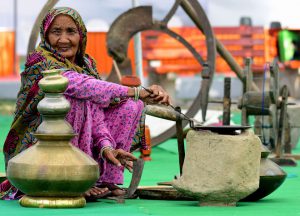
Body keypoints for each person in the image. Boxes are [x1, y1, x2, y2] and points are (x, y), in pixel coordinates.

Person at [0, 7, 170, 200]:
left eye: (71, 31)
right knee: (74, 97)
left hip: (81, 139)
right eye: (56, 32)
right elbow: (79, 86)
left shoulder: (87, 64)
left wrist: (107, 147)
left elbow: (95, 112)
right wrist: (138, 91)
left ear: (81, 35)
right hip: (37, 146)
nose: (63, 39)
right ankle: (72, 177)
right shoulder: (40, 61)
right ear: (45, 35)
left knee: (132, 105)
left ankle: (104, 179)